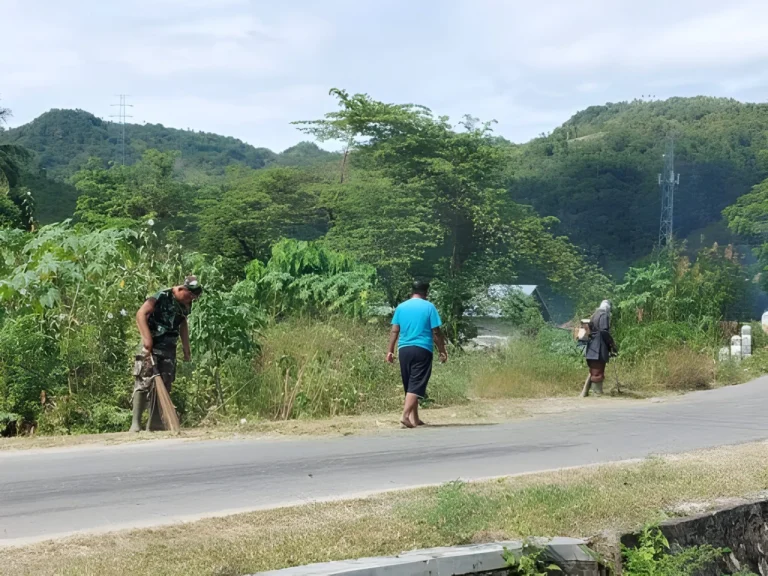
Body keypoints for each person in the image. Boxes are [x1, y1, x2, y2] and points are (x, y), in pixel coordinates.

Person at [129, 276, 203, 432]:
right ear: (182, 289)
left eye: (194, 297)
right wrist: (147, 340)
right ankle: (135, 423)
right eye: (190, 295)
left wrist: (186, 348)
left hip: (169, 347)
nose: (191, 299)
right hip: (151, 345)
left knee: (165, 382)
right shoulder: (162, 296)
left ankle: (155, 422)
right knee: (143, 380)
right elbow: (141, 314)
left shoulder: (186, 303)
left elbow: (182, 322)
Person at [386, 280, 448, 428]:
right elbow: (436, 332)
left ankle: (415, 418)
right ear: (426, 292)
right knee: (417, 383)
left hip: (404, 349)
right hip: (422, 348)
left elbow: (395, 330)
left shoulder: (401, 307)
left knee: (410, 383)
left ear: (412, 291)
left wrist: (390, 350)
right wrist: (442, 350)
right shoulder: (429, 307)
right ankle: (405, 416)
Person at [581, 299, 618, 397]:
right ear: (608, 308)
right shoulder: (604, 315)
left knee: (594, 369)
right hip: (599, 347)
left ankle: (589, 392)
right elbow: (604, 331)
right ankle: (597, 393)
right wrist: (612, 344)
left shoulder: (594, 315)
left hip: (591, 346)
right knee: (598, 370)